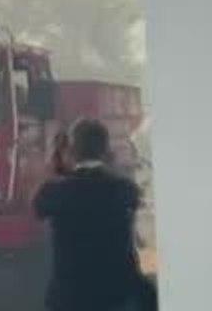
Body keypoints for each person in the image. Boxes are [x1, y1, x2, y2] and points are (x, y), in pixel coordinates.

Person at [33, 118, 157, 311]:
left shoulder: (55, 192)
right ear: (106, 151)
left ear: (71, 151)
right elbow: (128, 192)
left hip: (69, 300)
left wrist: (56, 165)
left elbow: (38, 206)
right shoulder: (124, 189)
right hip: (114, 297)